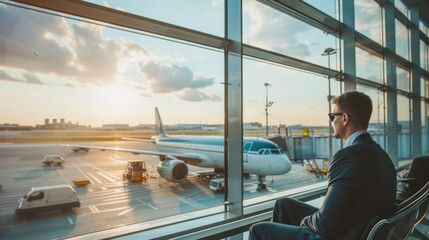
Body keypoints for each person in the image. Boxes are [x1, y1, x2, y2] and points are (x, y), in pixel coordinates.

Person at [248, 91, 397, 240]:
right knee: (283, 205)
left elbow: (324, 225)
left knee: (259, 230)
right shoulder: (381, 155)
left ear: (344, 118)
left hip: (343, 234)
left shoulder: (348, 156)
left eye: (333, 116)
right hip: (357, 226)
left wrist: (303, 222)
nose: (332, 121)